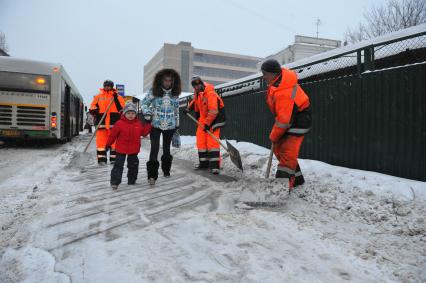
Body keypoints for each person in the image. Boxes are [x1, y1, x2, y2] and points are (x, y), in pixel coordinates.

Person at [261, 59, 312, 190]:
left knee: (287, 153)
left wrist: (274, 135)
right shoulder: (278, 84)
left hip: (299, 120)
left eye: (265, 73)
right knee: (278, 149)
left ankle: (280, 189)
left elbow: (284, 120)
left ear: (273, 73)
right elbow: (282, 115)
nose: (264, 77)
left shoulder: (284, 90)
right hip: (290, 119)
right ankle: (297, 179)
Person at [141, 69, 181, 185]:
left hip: (170, 126)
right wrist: (147, 113)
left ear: (173, 81)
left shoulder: (175, 94)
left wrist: (177, 125)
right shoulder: (153, 92)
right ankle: (152, 175)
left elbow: (176, 110)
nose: (168, 83)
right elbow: (144, 103)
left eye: (170, 80)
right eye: (165, 80)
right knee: (154, 149)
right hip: (155, 124)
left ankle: (166, 170)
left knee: (167, 149)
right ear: (160, 80)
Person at [184, 76, 225, 175]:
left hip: (214, 119)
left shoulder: (210, 94)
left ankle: (215, 166)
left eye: (198, 85)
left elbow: (214, 111)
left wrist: (207, 124)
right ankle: (204, 163)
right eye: (195, 86)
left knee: (212, 143)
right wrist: (188, 109)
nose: (197, 87)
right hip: (204, 118)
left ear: (202, 84)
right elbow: (195, 102)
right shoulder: (198, 94)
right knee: (201, 141)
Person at [106, 102, 152, 190]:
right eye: (128, 113)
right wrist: (108, 144)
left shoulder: (138, 124)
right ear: (124, 114)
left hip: (133, 150)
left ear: (135, 114)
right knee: (118, 166)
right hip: (121, 149)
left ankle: (132, 179)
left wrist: (148, 123)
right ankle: (115, 182)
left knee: (133, 165)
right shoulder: (119, 123)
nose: (130, 115)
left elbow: (144, 133)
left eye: (133, 113)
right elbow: (113, 135)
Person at [89, 80, 125, 164]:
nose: (107, 87)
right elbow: (92, 106)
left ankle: (114, 160)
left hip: (114, 124)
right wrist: (94, 110)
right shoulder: (98, 97)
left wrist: (115, 98)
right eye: (106, 86)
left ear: (112, 87)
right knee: (101, 143)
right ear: (103, 86)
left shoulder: (118, 97)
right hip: (101, 123)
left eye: (109, 86)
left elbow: (122, 109)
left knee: (115, 143)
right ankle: (102, 160)